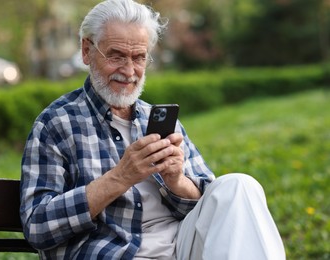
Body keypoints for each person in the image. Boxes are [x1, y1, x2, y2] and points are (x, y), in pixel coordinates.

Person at [20, 0, 286, 259]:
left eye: (139, 57)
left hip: (181, 245)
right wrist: (120, 177)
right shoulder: (56, 123)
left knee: (239, 186)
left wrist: (177, 181)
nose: (129, 70)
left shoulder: (155, 118)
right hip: (114, 251)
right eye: (116, 56)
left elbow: (211, 206)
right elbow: (37, 227)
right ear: (87, 51)